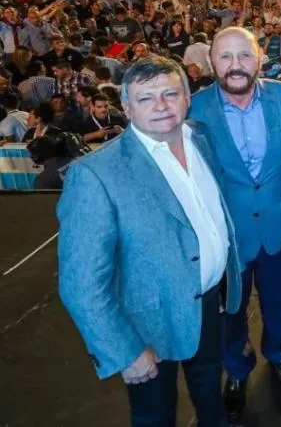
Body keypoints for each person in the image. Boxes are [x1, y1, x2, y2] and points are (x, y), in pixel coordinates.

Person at [56, 56, 243, 427]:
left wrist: (219, 286)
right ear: (125, 106)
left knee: (210, 394)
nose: (161, 106)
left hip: (208, 306)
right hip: (146, 329)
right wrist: (124, 351)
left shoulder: (200, 136)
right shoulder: (95, 175)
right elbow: (80, 284)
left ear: (187, 96)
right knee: (155, 415)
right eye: (146, 98)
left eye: (170, 93)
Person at [188, 27, 281, 422]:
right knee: (230, 311)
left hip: (278, 225)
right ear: (210, 62)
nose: (235, 66)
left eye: (244, 56)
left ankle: (277, 351)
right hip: (226, 235)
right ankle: (236, 370)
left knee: (278, 302)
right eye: (225, 57)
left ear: (260, 58)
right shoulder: (193, 109)